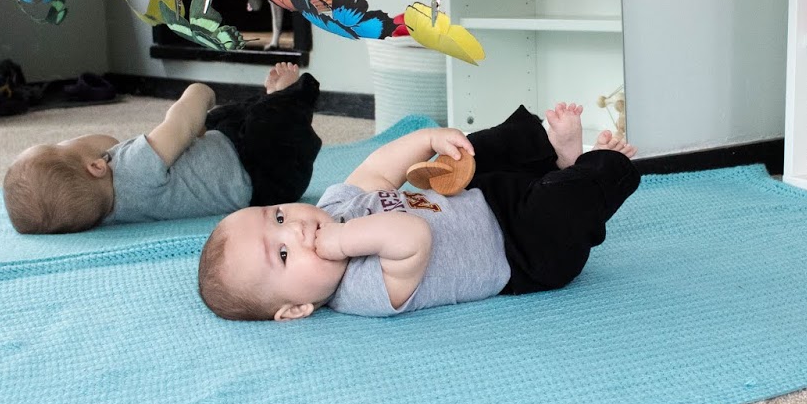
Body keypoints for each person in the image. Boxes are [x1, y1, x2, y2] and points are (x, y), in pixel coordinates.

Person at [196, 102, 640, 322]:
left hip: (477, 198)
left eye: (276, 217)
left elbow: (379, 170)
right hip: (520, 252)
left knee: (471, 151)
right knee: (560, 209)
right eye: (284, 255)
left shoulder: (333, 206)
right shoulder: (360, 291)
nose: (295, 231)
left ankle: (552, 155)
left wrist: (430, 140)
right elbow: (411, 237)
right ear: (297, 308)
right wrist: (339, 242)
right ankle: (595, 170)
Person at [3, 63, 322, 234]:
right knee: (252, 117)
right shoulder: (134, 166)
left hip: (254, 179)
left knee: (217, 123)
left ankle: (271, 99)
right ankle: (286, 96)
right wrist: (199, 92)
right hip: (265, 161)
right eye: (61, 145)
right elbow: (180, 123)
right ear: (96, 167)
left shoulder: (108, 214)